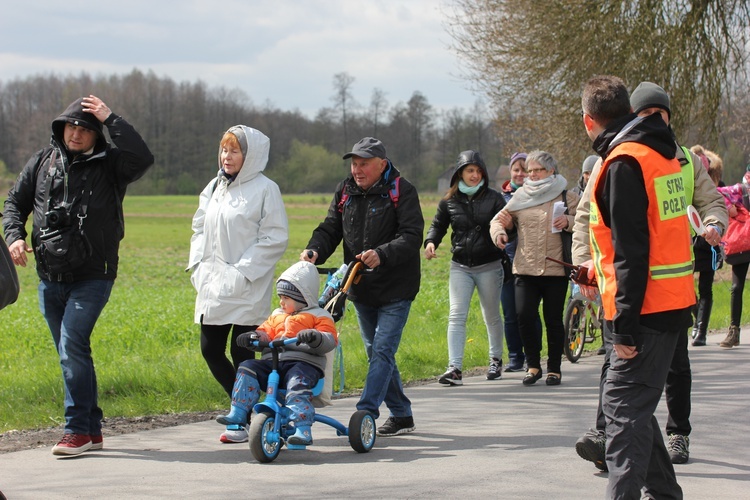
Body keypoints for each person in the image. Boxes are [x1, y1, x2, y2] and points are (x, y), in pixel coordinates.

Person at [572, 81, 727, 472]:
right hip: (625, 288)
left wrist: (712, 224)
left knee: (671, 370)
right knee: (619, 369)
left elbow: (712, 202)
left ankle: (677, 432)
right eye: (646, 115)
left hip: (670, 291)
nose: (654, 121)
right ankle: (607, 434)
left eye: (661, 114)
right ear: (631, 117)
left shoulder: (684, 161)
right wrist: (583, 265)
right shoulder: (619, 159)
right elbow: (588, 216)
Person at [2, 95, 154, 456]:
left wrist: (111, 117)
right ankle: (92, 429)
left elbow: (142, 158)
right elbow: (14, 203)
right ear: (61, 127)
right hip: (49, 275)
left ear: (96, 134)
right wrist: (14, 237)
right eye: (71, 126)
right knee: (72, 351)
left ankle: (75, 431)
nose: (76, 133)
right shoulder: (42, 162)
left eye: (85, 128)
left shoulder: (112, 164)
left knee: (72, 346)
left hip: (93, 274)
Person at [301, 136, 423, 436]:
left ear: (382, 165)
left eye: (364, 164)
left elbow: (411, 235)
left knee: (382, 349)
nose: (357, 169)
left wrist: (382, 254)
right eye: (354, 164)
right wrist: (314, 250)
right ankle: (402, 414)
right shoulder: (346, 191)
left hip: (397, 287)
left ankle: (365, 412)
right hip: (360, 287)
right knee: (375, 351)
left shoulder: (401, 190)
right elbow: (330, 228)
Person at [187, 125, 288, 444]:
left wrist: (243, 272)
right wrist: (198, 266)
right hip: (213, 283)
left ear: (251, 155)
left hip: (247, 285)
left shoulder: (265, 189)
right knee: (210, 349)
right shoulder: (215, 186)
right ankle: (251, 412)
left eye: (234, 151)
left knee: (241, 352)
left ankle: (245, 418)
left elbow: (274, 237)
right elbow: (199, 226)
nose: (226, 157)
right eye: (224, 149)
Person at [216, 261, 337, 446]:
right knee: (247, 367)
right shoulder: (276, 316)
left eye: (286, 297)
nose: (281, 301)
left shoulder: (318, 315)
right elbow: (264, 332)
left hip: (302, 365)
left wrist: (314, 337)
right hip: (274, 364)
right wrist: (253, 337)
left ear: (303, 297)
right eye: (280, 296)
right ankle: (239, 411)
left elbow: (329, 339)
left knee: (297, 383)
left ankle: (302, 427)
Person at [490, 150, 579, 387]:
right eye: (529, 171)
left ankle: (554, 368)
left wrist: (569, 222)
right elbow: (498, 220)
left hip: (555, 269)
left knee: (552, 319)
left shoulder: (565, 196)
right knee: (524, 316)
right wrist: (500, 232)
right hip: (525, 268)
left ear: (551, 170)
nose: (532, 175)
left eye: (537, 170)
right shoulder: (521, 197)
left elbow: (587, 219)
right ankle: (533, 366)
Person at [424, 150, 507, 385]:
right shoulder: (449, 200)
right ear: (460, 173)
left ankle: (495, 360)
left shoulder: (494, 198)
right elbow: (438, 226)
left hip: (489, 265)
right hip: (460, 265)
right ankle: (455, 369)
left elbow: (507, 224)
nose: (475, 175)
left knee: (491, 315)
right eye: (470, 170)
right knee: (456, 315)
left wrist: (504, 236)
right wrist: (430, 242)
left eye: (479, 171)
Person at [498, 152, 539, 372]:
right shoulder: (502, 198)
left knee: (530, 313)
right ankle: (515, 356)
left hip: (532, 263)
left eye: (525, 169)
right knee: (510, 313)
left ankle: (535, 354)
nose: (521, 173)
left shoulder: (539, 196)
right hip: (507, 264)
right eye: (516, 169)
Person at [688, 145, 725, 346]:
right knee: (688, 287)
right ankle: (695, 318)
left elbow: (720, 207)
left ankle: (701, 330)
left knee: (706, 288)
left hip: (710, 245)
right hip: (692, 243)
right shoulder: (690, 183)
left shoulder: (719, 186)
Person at [717, 167, 750, 348]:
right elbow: (717, 193)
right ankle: (734, 330)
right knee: (736, 287)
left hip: (743, 241)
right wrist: (730, 208)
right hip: (743, 243)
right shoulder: (740, 190)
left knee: (736, 288)